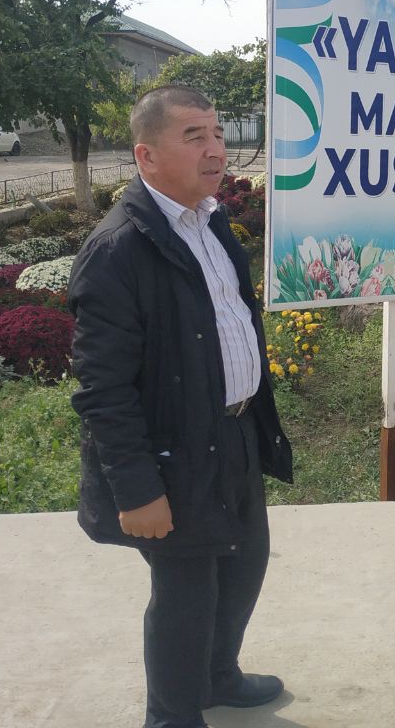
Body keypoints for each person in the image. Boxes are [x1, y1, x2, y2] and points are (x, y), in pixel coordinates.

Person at [69, 85, 293, 728]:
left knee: (244, 562)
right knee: (186, 591)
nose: (215, 149)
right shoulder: (117, 251)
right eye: (194, 137)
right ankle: (171, 715)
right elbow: (103, 389)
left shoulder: (210, 221)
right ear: (146, 155)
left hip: (234, 433)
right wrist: (138, 490)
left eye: (218, 134)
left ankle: (218, 677)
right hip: (174, 452)